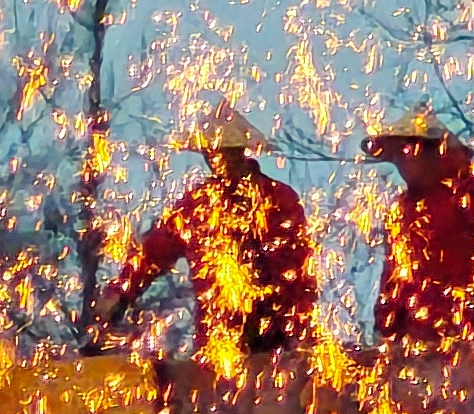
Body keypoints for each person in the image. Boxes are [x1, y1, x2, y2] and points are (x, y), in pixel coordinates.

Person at [100, 96, 317, 355]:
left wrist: (299, 329)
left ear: (240, 152)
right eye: (210, 153)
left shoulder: (278, 200)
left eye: (223, 152)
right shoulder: (196, 206)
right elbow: (152, 253)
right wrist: (120, 292)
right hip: (217, 340)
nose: (215, 159)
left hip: (275, 339)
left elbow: (296, 272)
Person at [364, 107, 474, 347]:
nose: (401, 165)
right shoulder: (401, 210)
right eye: (396, 156)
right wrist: (385, 326)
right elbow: (393, 277)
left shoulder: (462, 195)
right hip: (412, 333)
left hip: (463, 328)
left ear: (432, 154)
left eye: (405, 154)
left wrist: (455, 164)